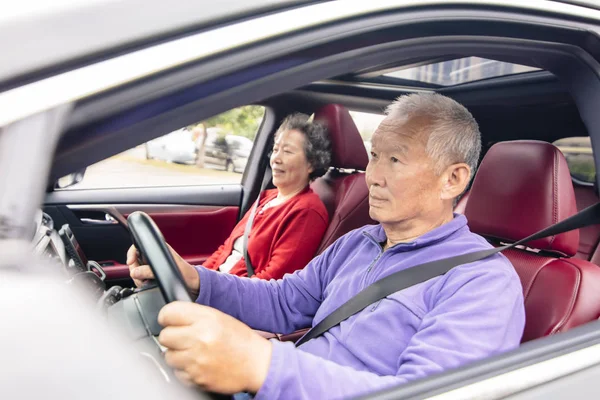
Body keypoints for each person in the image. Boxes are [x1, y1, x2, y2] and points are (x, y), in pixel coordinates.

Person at [128, 93, 526, 399]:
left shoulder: (483, 283)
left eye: (394, 160)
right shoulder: (359, 242)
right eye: (374, 156)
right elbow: (284, 302)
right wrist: (196, 279)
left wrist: (262, 366)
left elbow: (424, 393)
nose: (373, 176)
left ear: (452, 180)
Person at [131, 114, 331, 283]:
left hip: (238, 305)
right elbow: (224, 251)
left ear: (311, 163)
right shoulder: (266, 198)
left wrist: (205, 288)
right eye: (276, 149)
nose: (276, 158)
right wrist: (193, 280)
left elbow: (273, 283)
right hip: (219, 289)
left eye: (287, 151)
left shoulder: (307, 211)